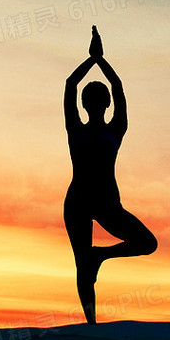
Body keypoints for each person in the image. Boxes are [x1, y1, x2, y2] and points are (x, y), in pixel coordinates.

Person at [64, 25, 157, 324]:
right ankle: (91, 323)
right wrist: (99, 59)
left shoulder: (89, 130)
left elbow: (71, 84)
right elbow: (116, 87)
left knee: (141, 244)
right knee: (85, 262)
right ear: (102, 104)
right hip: (84, 201)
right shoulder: (107, 130)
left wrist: (93, 59)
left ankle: (99, 257)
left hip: (101, 203)